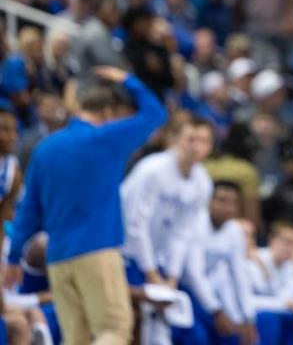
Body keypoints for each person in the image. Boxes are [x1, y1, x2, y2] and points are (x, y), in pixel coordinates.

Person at [3, 67, 167, 344]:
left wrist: (13, 257)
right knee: (114, 329)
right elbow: (155, 113)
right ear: (109, 113)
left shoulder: (46, 148)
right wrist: (125, 78)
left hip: (58, 258)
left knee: (75, 338)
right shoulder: (108, 138)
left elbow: (29, 211)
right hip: (97, 250)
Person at [120, 116, 215, 342]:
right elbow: (135, 225)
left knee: (182, 329)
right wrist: (151, 272)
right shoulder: (152, 169)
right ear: (176, 139)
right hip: (124, 254)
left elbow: (182, 233)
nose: (196, 147)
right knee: (133, 323)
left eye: (204, 141)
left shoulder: (203, 182)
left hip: (158, 261)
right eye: (191, 139)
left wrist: (172, 275)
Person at [181, 181, 257, 345]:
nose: (227, 207)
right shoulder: (195, 222)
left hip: (207, 292)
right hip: (181, 287)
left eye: (233, 203)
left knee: (235, 334)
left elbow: (239, 275)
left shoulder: (235, 231)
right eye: (222, 200)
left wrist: (248, 317)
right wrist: (216, 311)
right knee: (198, 338)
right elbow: (193, 273)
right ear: (209, 201)